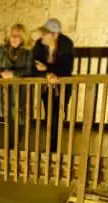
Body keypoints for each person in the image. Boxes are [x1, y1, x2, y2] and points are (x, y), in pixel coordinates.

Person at [32, 18, 75, 153]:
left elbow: (66, 68)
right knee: (49, 114)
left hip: (62, 86)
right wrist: (46, 74)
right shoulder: (39, 44)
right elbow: (32, 63)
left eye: (46, 33)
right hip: (47, 86)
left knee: (58, 114)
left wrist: (47, 69)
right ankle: (50, 147)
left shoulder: (66, 44)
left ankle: (53, 148)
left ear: (55, 34)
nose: (43, 36)